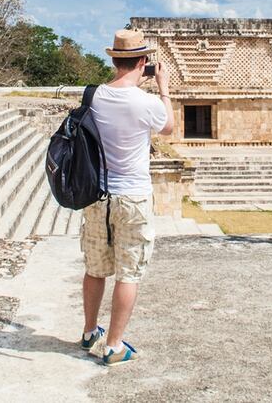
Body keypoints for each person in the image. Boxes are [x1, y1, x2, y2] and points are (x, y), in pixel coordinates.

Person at [80, 29, 174, 366]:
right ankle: (114, 344)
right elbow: (169, 127)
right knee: (128, 273)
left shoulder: (95, 96)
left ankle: (90, 331)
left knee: (94, 268)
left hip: (98, 195)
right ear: (144, 61)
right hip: (132, 196)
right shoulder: (146, 102)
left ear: (114, 59)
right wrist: (162, 87)